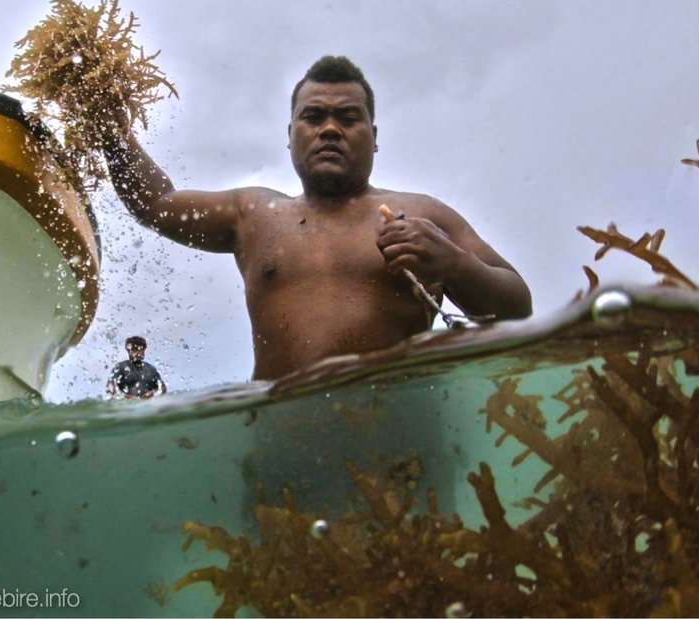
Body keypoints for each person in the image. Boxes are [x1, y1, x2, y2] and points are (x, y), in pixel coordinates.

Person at [101, 56, 532, 381]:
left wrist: (455, 265)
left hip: (403, 450)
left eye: (348, 118)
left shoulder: (425, 214)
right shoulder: (254, 214)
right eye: (312, 117)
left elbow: (518, 307)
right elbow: (156, 203)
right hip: (279, 448)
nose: (329, 129)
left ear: (374, 138)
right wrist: (109, 127)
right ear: (290, 136)